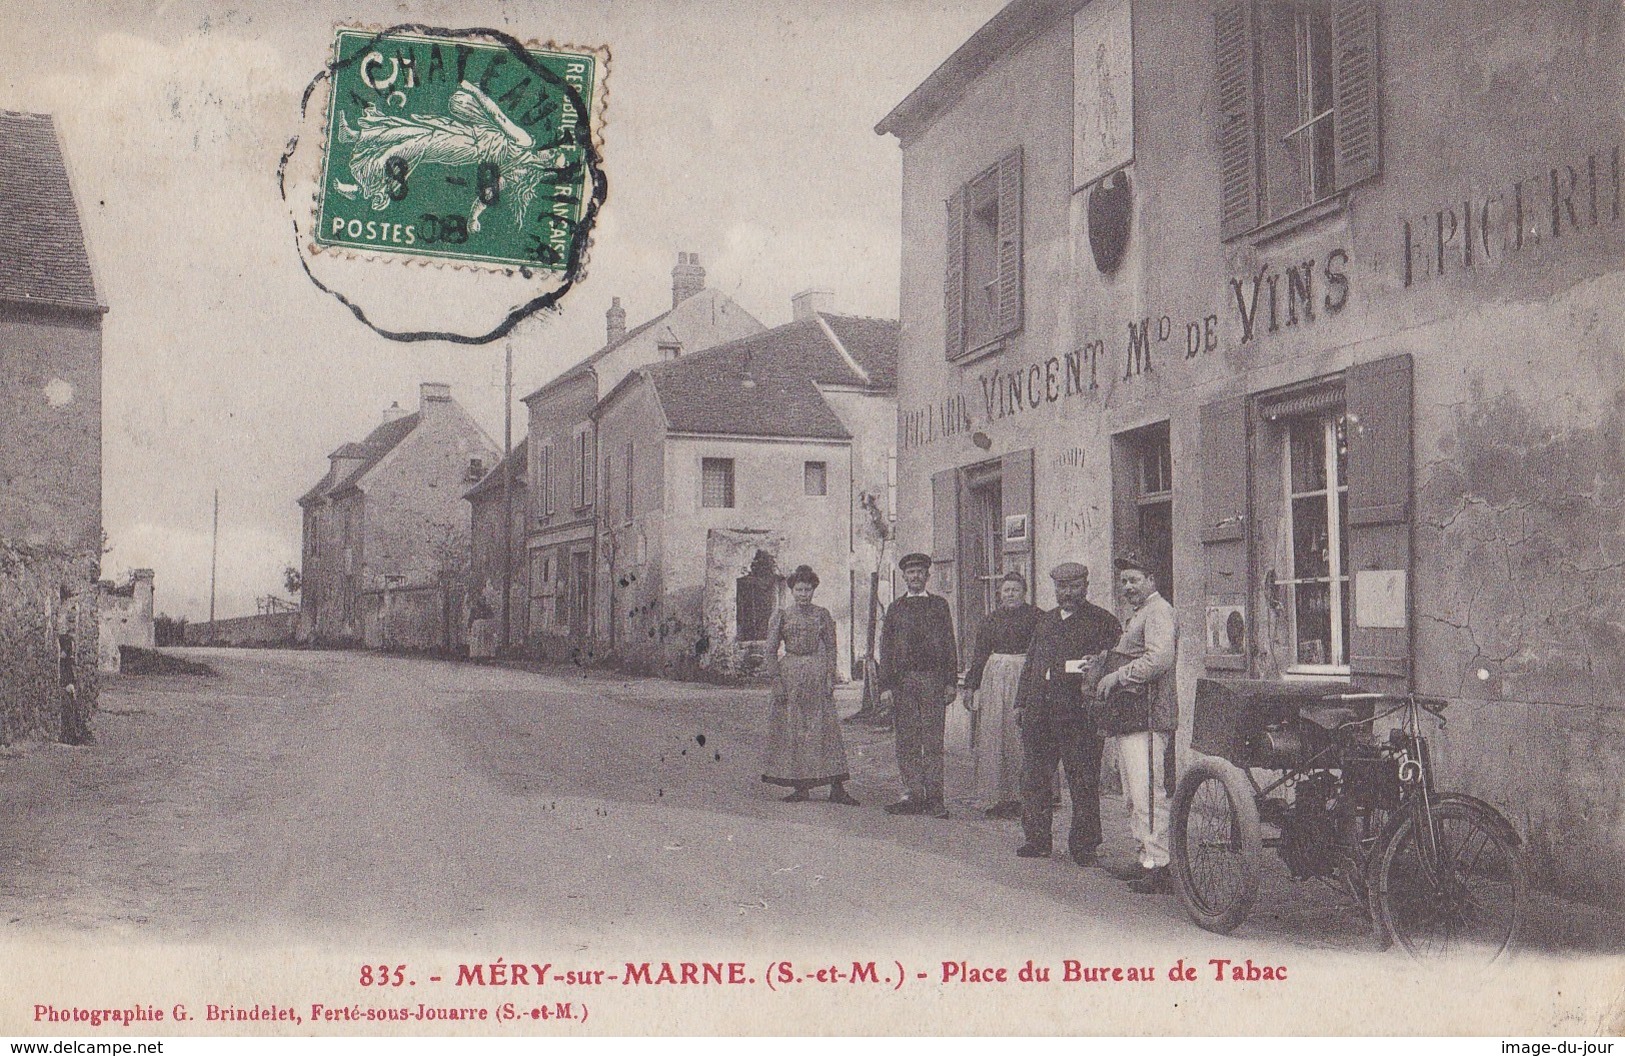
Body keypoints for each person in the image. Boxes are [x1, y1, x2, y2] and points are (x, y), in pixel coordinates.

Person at [1014, 562, 1121, 865]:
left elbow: (1113, 665)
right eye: (1062, 587)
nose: (1068, 593)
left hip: (1079, 715)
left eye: (1074, 587)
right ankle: (1036, 839)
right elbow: (1031, 664)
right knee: (1035, 778)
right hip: (1040, 714)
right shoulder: (1045, 621)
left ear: (1086, 586)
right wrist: (1021, 702)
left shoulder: (1103, 622)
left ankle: (1085, 846)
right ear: (1055, 589)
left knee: (1083, 781)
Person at [1095, 551, 1179, 894]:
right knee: (1134, 793)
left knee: (1148, 793)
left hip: (1148, 714)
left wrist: (1118, 676)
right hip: (1131, 716)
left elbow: (1160, 658)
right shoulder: (1140, 614)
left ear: (1151, 581)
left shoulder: (1159, 611)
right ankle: (1144, 855)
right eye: (1124, 581)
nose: (1128, 587)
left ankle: (1160, 865)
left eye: (1135, 580)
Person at [760, 565, 858, 805]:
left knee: (826, 729)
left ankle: (837, 787)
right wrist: (777, 682)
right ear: (792, 590)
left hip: (816, 673)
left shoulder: (822, 615)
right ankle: (800, 786)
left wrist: (829, 677)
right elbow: (770, 651)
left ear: (814, 590)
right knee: (796, 730)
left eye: (808, 590)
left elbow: (832, 648)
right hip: (791, 675)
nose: (804, 594)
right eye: (799, 590)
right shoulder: (782, 615)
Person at [877, 552, 958, 818]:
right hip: (903, 682)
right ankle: (913, 794)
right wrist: (886, 685)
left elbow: (949, 644)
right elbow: (886, 649)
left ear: (927, 576)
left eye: (920, 572)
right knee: (907, 740)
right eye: (910, 572)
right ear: (903, 577)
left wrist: (950, 681)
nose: (915, 576)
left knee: (932, 741)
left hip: (932, 680)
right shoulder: (895, 608)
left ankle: (935, 799)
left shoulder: (939, 606)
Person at [962, 570, 1041, 819]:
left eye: (1015, 590)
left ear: (1024, 593)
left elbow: (1041, 652)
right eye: (1006, 590)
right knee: (995, 734)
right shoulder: (990, 620)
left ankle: (1024, 796)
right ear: (1000, 593)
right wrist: (971, 686)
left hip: (1023, 676)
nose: (1010, 594)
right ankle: (997, 795)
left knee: (1021, 736)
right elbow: (979, 654)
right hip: (994, 679)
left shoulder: (1037, 617)